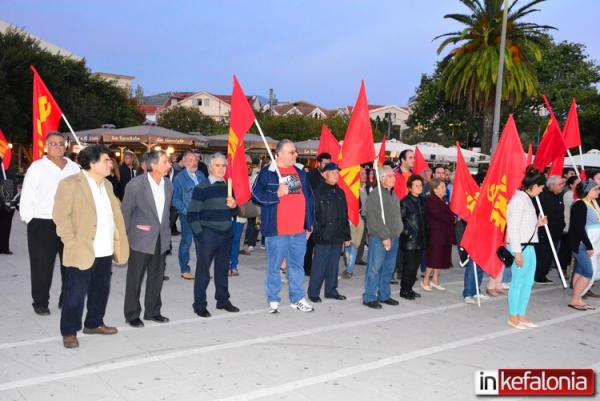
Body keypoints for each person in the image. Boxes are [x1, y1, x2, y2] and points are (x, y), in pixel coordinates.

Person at [53, 145, 129, 348]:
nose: (110, 163)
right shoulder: (70, 184)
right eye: (106, 160)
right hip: (82, 249)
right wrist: (71, 241)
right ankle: (69, 331)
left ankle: (94, 323)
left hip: (104, 249)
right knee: (75, 293)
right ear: (92, 163)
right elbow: (61, 216)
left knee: (100, 290)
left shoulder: (108, 185)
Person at [20, 132, 80, 315]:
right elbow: (27, 195)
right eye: (53, 143)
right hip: (42, 222)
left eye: (61, 143)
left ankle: (67, 297)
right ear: (46, 146)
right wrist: (29, 218)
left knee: (70, 264)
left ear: (66, 146)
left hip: (69, 222)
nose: (58, 147)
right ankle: (40, 302)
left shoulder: (74, 167)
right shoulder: (37, 167)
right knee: (41, 265)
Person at [252, 139, 315, 314]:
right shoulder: (268, 173)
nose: (295, 154)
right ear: (278, 154)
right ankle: (273, 299)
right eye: (291, 152)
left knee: (297, 266)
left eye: (295, 151)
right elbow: (256, 196)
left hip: (298, 230)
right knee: (274, 266)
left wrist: (309, 223)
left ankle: (297, 298)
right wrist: (277, 193)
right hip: (278, 230)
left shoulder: (299, 172)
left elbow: (307, 199)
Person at [121, 150, 173, 328]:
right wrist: (123, 238)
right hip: (140, 238)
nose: (169, 164)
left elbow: (165, 214)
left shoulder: (168, 184)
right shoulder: (135, 185)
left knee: (156, 277)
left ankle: (153, 311)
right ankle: (132, 314)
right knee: (135, 278)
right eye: (165, 162)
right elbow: (125, 214)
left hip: (161, 238)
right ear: (153, 165)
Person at [187, 153, 239, 317]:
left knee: (222, 270)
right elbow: (191, 214)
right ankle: (199, 304)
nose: (221, 168)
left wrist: (234, 205)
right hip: (208, 234)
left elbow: (234, 211)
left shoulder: (229, 187)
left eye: (224, 165)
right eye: (217, 165)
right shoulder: (202, 187)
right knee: (203, 271)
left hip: (226, 234)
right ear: (210, 167)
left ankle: (223, 300)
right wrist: (201, 236)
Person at [505, 166, 547, 329]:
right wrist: (517, 253)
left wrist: (538, 224)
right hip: (520, 247)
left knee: (528, 282)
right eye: (541, 187)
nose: (542, 191)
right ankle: (513, 317)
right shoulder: (518, 200)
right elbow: (513, 227)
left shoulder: (527, 199)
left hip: (529, 246)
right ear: (535, 186)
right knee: (518, 282)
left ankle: (521, 315)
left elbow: (524, 226)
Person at [308, 163, 350, 302]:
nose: (335, 175)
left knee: (333, 265)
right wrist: (317, 231)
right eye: (332, 173)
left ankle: (331, 290)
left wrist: (347, 235)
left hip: (337, 235)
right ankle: (313, 293)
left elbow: (344, 215)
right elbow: (313, 214)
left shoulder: (340, 192)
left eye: (337, 173)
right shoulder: (317, 192)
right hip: (323, 235)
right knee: (319, 265)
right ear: (324, 175)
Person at [362, 166, 403, 308]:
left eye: (393, 176)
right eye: (390, 176)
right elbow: (375, 219)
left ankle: (384, 295)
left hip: (394, 237)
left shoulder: (393, 195)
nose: (394, 178)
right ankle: (369, 297)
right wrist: (385, 236)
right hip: (380, 238)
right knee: (374, 268)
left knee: (388, 269)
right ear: (382, 179)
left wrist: (398, 230)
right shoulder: (375, 196)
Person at [172, 150, 207, 280]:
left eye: (196, 160)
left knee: (201, 243)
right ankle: (185, 269)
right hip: (187, 216)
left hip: (202, 216)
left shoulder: (201, 175)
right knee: (186, 242)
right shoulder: (179, 179)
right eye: (191, 160)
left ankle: (202, 270)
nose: (194, 163)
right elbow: (175, 199)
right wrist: (187, 210)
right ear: (185, 162)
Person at [567, 179, 600, 311]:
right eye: (595, 189)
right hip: (582, 244)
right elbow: (579, 228)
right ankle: (575, 299)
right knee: (588, 272)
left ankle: (577, 298)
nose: (598, 191)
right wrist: (589, 246)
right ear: (587, 191)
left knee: (581, 271)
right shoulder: (580, 205)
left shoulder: (591, 203)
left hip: (588, 242)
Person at [422, 178, 455, 291]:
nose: (444, 189)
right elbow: (442, 216)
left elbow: (450, 215)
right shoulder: (431, 201)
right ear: (435, 189)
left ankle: (435, 280)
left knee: (440, 257)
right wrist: (452, 218)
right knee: (434, 258)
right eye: (441, 187)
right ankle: (426, 279)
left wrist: (452, 217)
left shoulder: (443, 199)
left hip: (445, 233)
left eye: (444, 186)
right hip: (435, 234)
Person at [399, 175, 427, 300]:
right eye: (416, 185)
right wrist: (408, 233)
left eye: (420, 185)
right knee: (409, 266)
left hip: (420, 239)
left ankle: (410, 288)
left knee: (415, 266)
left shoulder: (422, 200)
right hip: (409, 240)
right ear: (410, 188)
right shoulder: (405, 202)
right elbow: (401, 221)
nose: (419, 187)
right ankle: (404, 290)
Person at [534, 175, 565, 284]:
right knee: (543, 254)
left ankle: (543, 274)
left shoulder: (559, 196)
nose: (562, 186)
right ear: (552, 185)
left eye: (563, 184)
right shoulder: (542, 196)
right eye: (560, 184)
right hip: (544, 231)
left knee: (551, 254)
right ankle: (539, 275)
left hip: (556, 231)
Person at [559, 175, 580, 276]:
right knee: (565, 250)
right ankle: (562, 269)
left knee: (571, 250)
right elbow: (574, 207)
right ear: (571, 185)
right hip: (568, 227)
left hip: (574, 228)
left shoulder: (578, 195)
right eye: (577, 183)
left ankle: (567, 269)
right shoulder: (569, 194)